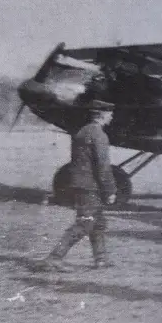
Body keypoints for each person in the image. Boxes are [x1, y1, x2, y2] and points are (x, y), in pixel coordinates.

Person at [37, 94, 117, 272]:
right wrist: (110, 189)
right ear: (102, 115)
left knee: (98, 222)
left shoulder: (82, 131)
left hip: (80, 183)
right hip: (91, 186)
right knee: (85, 222)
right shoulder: (99, 135)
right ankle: (54, 258)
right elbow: (102, 165)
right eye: (110, 113)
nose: (111, 117)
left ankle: (101, 259)